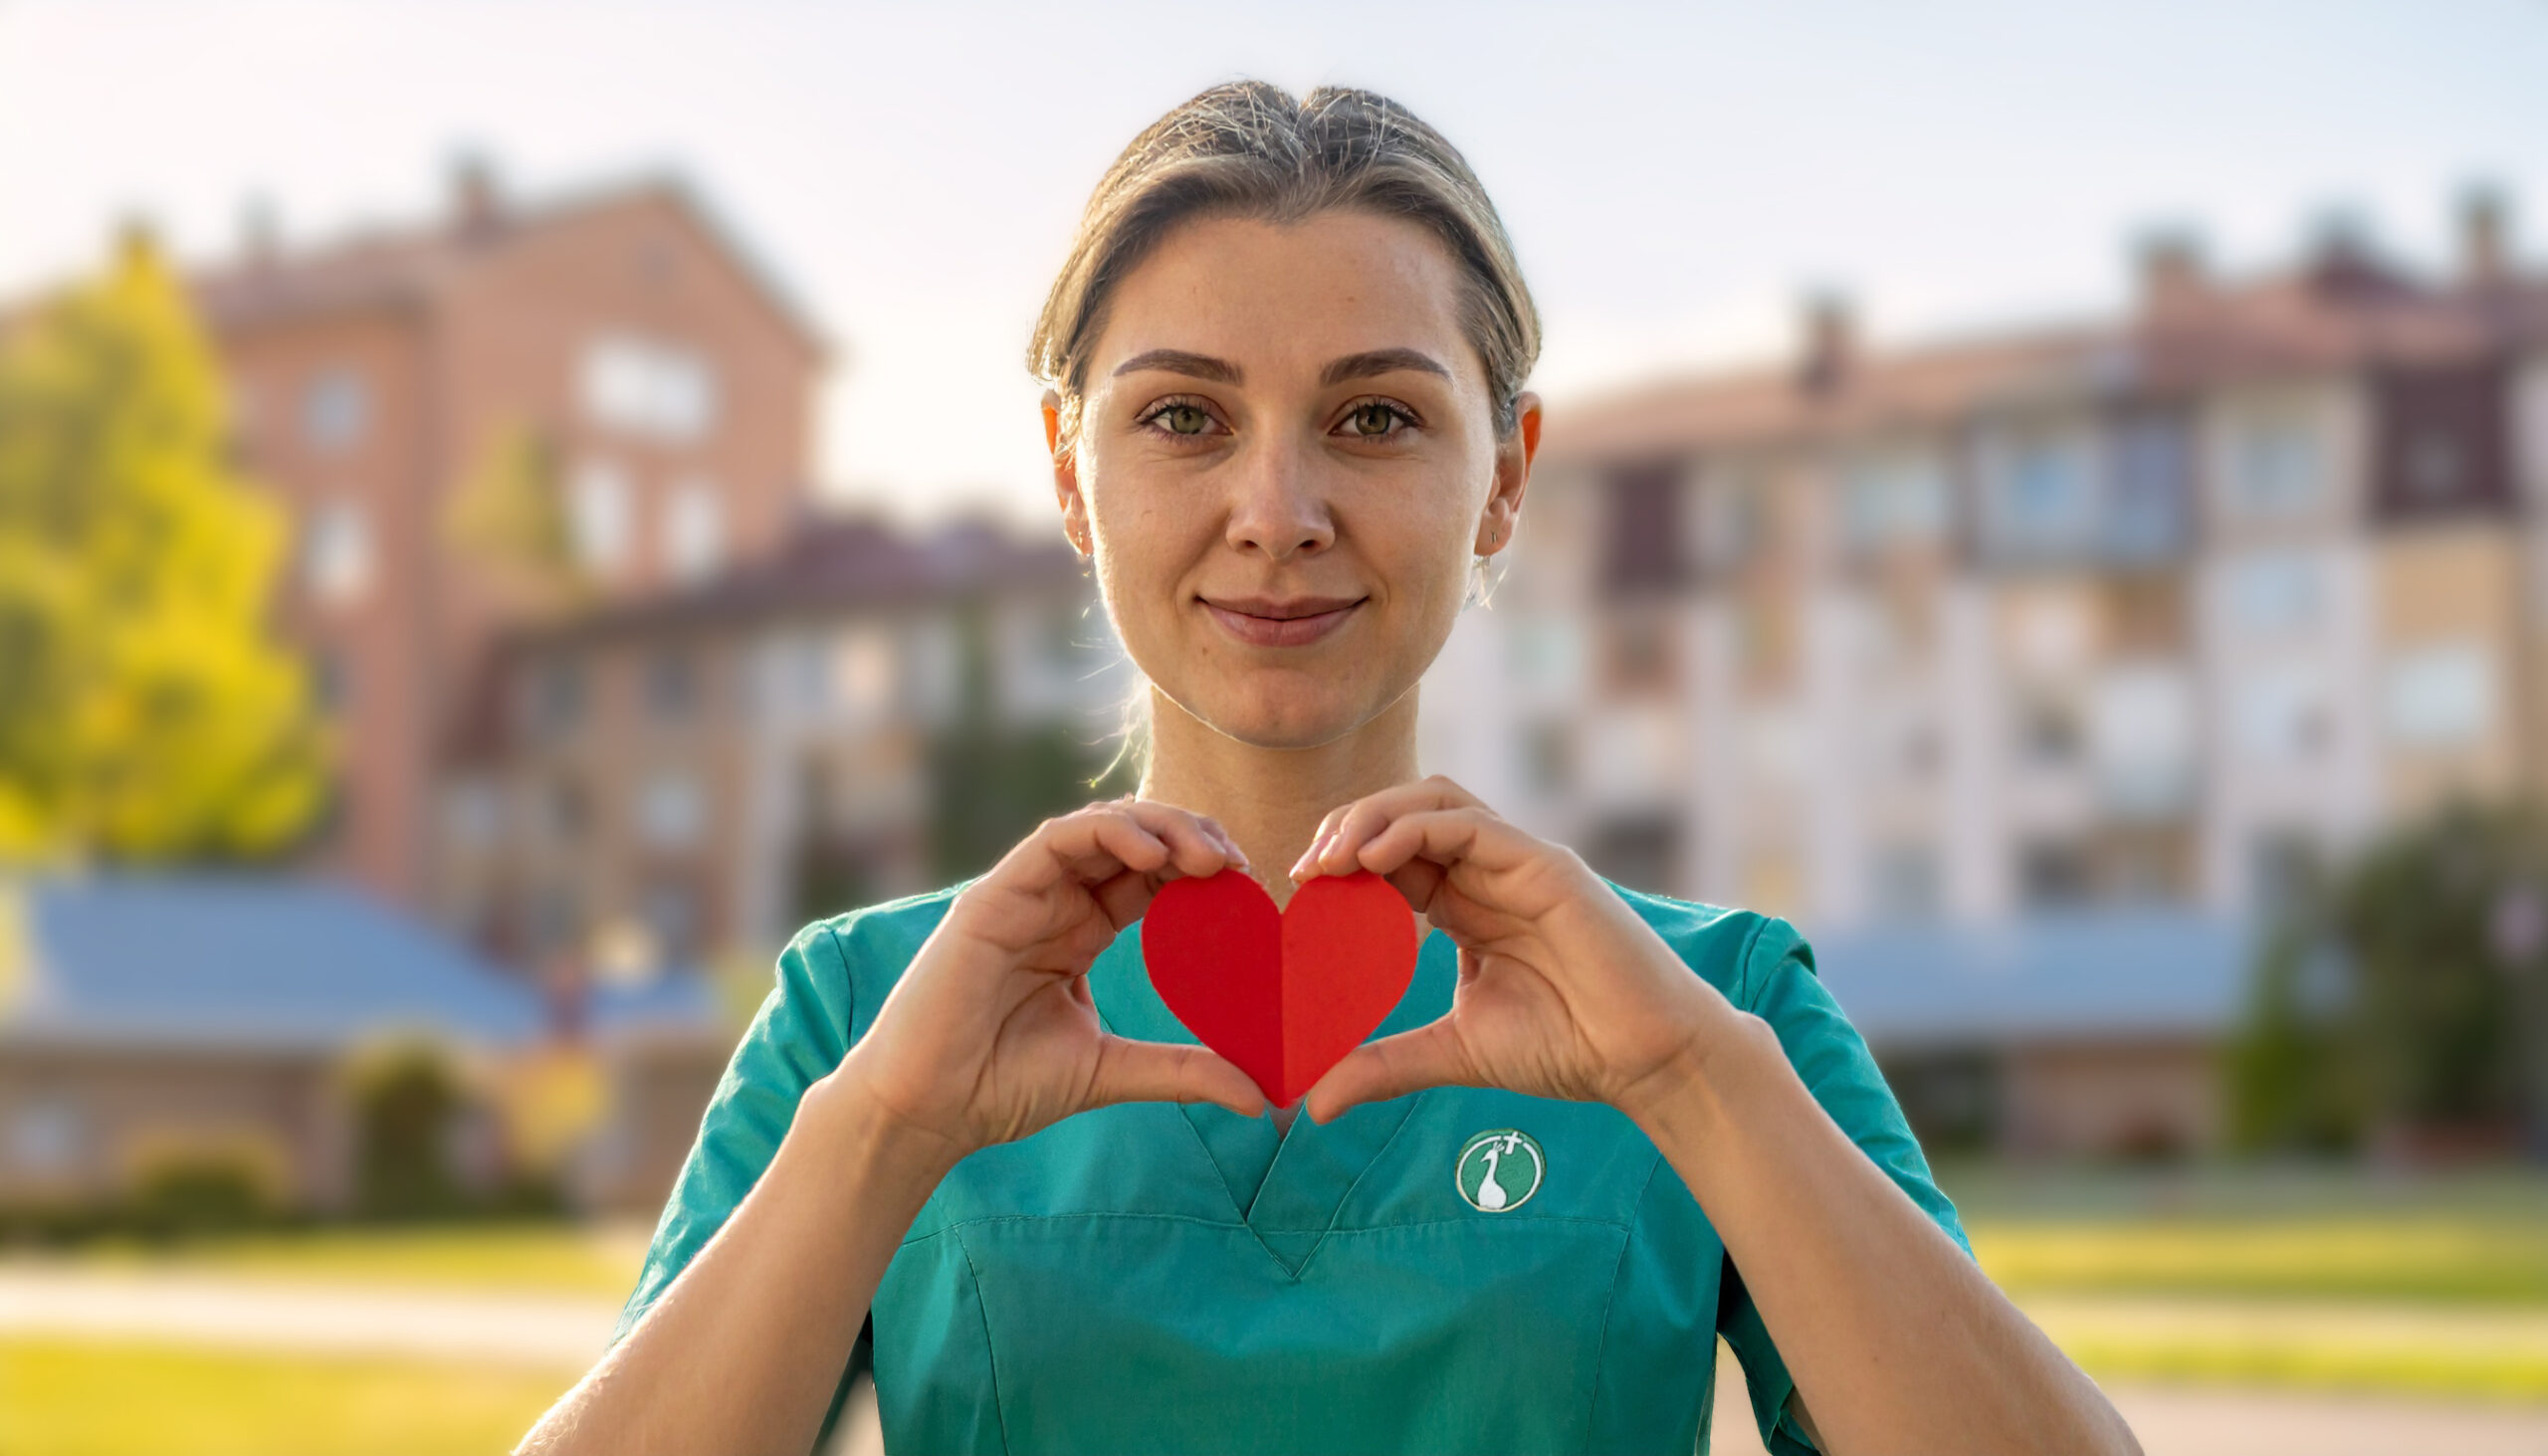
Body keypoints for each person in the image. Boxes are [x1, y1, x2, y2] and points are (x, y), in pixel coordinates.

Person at [518, 81, 2140, 1456]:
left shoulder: (1717, 1008)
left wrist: (1693, 1087)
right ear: (1070, 477)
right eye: (1183, 419)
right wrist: (879, 1131)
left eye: (1375, 419)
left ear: (1505, 476)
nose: (1277, 513)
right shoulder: (865, 1016)